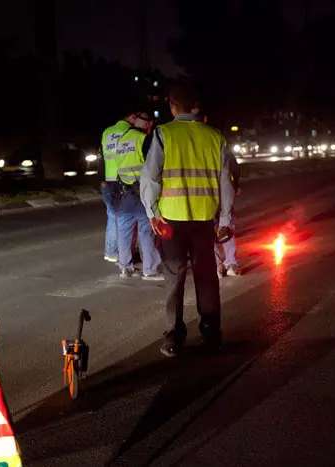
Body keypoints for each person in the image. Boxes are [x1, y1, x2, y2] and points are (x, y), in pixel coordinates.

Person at [141, 83, 234, 358]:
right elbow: (226, 181)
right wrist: (226, 218)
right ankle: (212, 334)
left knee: (174, 278)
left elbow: (150, 178)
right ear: (195, 106)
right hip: (205, 220)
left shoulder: (164, 134)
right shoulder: (215, 136)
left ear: (172, 105)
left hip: (171, 220)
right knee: (207, 279)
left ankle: (173, 338)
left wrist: (152, 213)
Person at [114, 111, 164, 280]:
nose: (150, 130)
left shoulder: (121, 140)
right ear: (145, 124)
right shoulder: (143, 139)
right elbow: (153, 166)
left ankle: (125, 268)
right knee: (146, 231)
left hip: (124, 192)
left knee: (124, 232)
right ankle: (149, 270)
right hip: (141, 191)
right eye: (149, 127)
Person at [99, 116, 129, 263]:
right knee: (122, 219)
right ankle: (117, 252)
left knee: (112, 217)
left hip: (107, 180)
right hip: (121, 179)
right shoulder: (129, 132)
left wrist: (102, 179)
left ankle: (110, 252)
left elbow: (101, 157)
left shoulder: (107, 132)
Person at [216, 147, 241, 277]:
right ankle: (231, 263)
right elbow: (233, 168)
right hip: (222, 192)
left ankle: (217, 266)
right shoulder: (219, 143)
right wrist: (235, 185)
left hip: (201, 196)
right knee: (226, 226)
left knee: (207, 231)